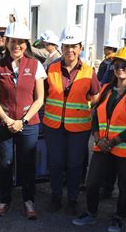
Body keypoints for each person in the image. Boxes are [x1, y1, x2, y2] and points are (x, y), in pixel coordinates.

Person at [73, 46, 126, 232]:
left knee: (124, 186)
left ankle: (118, 217)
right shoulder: (106, 89)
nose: (119, 68)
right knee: (92, 182)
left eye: (125, 64)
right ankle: (91, 213)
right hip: (103, 146)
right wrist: (99, 140)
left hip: (125, 149)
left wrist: (112, 142)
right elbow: (96, 117)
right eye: (116, 64)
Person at [0, 22, 46, 219]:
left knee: (27, 163)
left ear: (26, 43)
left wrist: (23, 121)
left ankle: (28, 201)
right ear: (7, 42)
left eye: (20, 42)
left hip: (28, 124)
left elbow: (40, 98)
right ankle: (4, 200)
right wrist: (7, 119)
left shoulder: (35, 65)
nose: (16, 45)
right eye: (13, 41)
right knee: (5, 162)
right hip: (4, 123)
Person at [43, 25, 101, 216]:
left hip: (79, 127)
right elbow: (41, 95)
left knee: (75, 164)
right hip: (54, 126)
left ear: (80, 47)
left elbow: (96, 98)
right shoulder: (50, 69)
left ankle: (73, 199)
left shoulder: (88, 71)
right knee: (55, 163)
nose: (70, 50)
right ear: (62, 47)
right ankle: (56, 196)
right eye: (67, 46)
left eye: (74, 46)